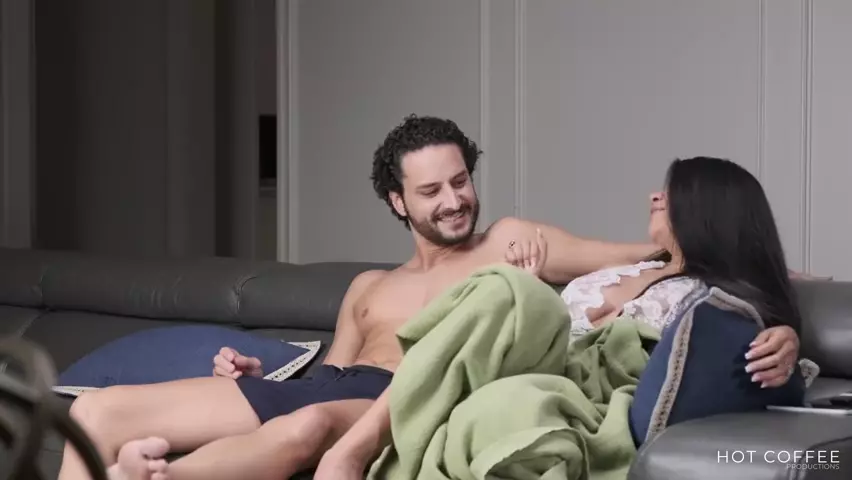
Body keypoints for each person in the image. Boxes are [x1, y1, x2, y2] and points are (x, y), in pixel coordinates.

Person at [57, 116, 800, 480]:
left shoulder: (511, 243)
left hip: (404, 396)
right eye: (431, 190)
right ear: (397, 202)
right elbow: (332, 369)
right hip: (335, 385)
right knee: (95, 413)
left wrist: (787, 310)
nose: (453, 201)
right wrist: (258, 371)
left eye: (460, 181)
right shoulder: (367, 287)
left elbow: (669, 259)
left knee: (308, 426)